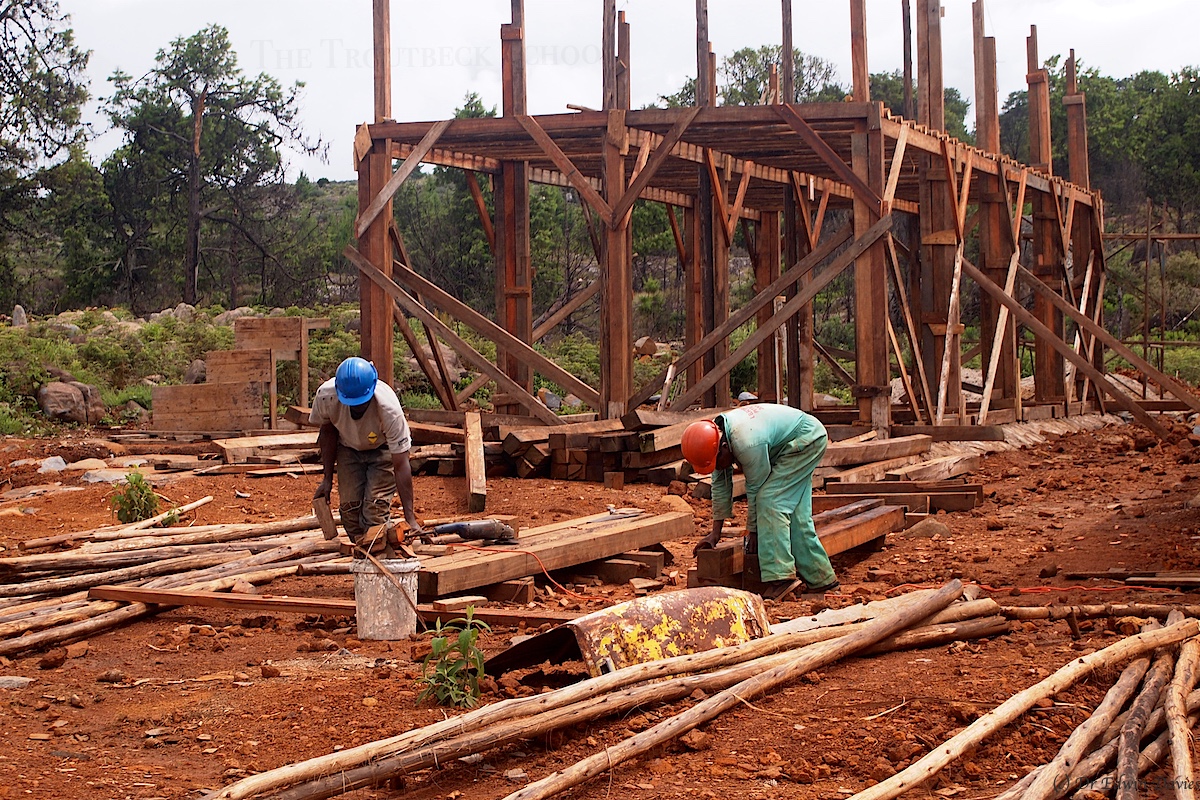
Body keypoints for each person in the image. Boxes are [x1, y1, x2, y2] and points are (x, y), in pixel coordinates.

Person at [682, 403, 838, 601]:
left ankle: (781, 578)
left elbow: (757, 489)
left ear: (723, 448)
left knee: (771, 500)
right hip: (787, 445)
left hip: (806, 439)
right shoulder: (714, 439)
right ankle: (821, 579)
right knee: (795, 514)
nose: (718, 467)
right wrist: (715, 533)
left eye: (717, 463)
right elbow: (720, 487)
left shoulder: (746, 443)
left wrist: (754, 532)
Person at [311, 357, 421, 547]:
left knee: (374, 511)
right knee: (350, 514)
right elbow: (327, 433)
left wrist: (410, 518)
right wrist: (327, 479)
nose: (356, 407)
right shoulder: (326, 396)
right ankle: (365, 552)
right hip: (348, 448)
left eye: (361, 402)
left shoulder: (389, 410)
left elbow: (401, 464)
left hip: (382, 450)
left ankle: (380, 549)